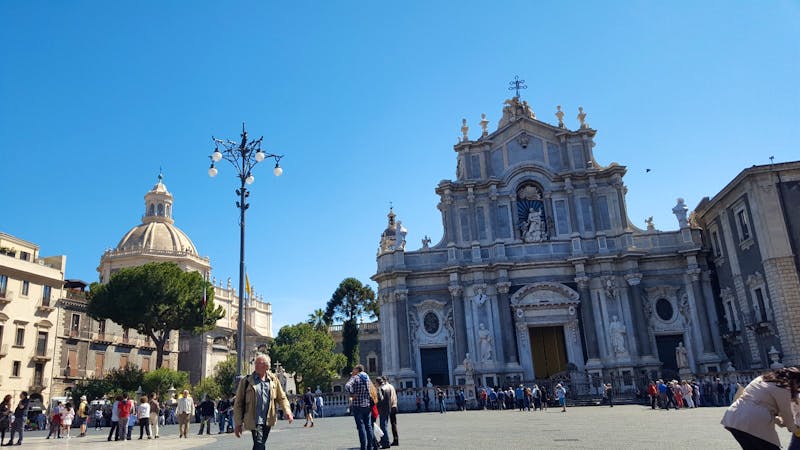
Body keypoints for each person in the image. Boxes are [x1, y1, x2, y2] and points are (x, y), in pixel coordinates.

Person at [721, 367, 800, 449]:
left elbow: (761, 405)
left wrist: (779, 421)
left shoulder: (761, 379)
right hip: (753, 422)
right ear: (794, 381)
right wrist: (794, 429)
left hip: (733, 418)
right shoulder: (783, 388)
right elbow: (786, 414)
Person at [234, 354, 293, 450]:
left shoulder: (273, 380)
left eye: (259, 363)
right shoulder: (246, 381)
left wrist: (287, 411)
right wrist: (238, 423)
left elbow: (281, 397)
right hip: (254, 420)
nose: (256, 365)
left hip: (268, 419)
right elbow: (238, 403)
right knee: (259, 443)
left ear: (266, 366)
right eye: (255, 363)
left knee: (260, 444)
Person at [344, 364, 375, 450]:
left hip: (358, 405)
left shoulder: (355, 378)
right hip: (367, 405)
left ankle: (363, 447)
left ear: (357, 370)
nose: (353, 371)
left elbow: (347, 386)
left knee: (361, 427)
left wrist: (352, 393)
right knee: (368, 427)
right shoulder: (367, 378)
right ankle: (370, 446)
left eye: (354, 369)